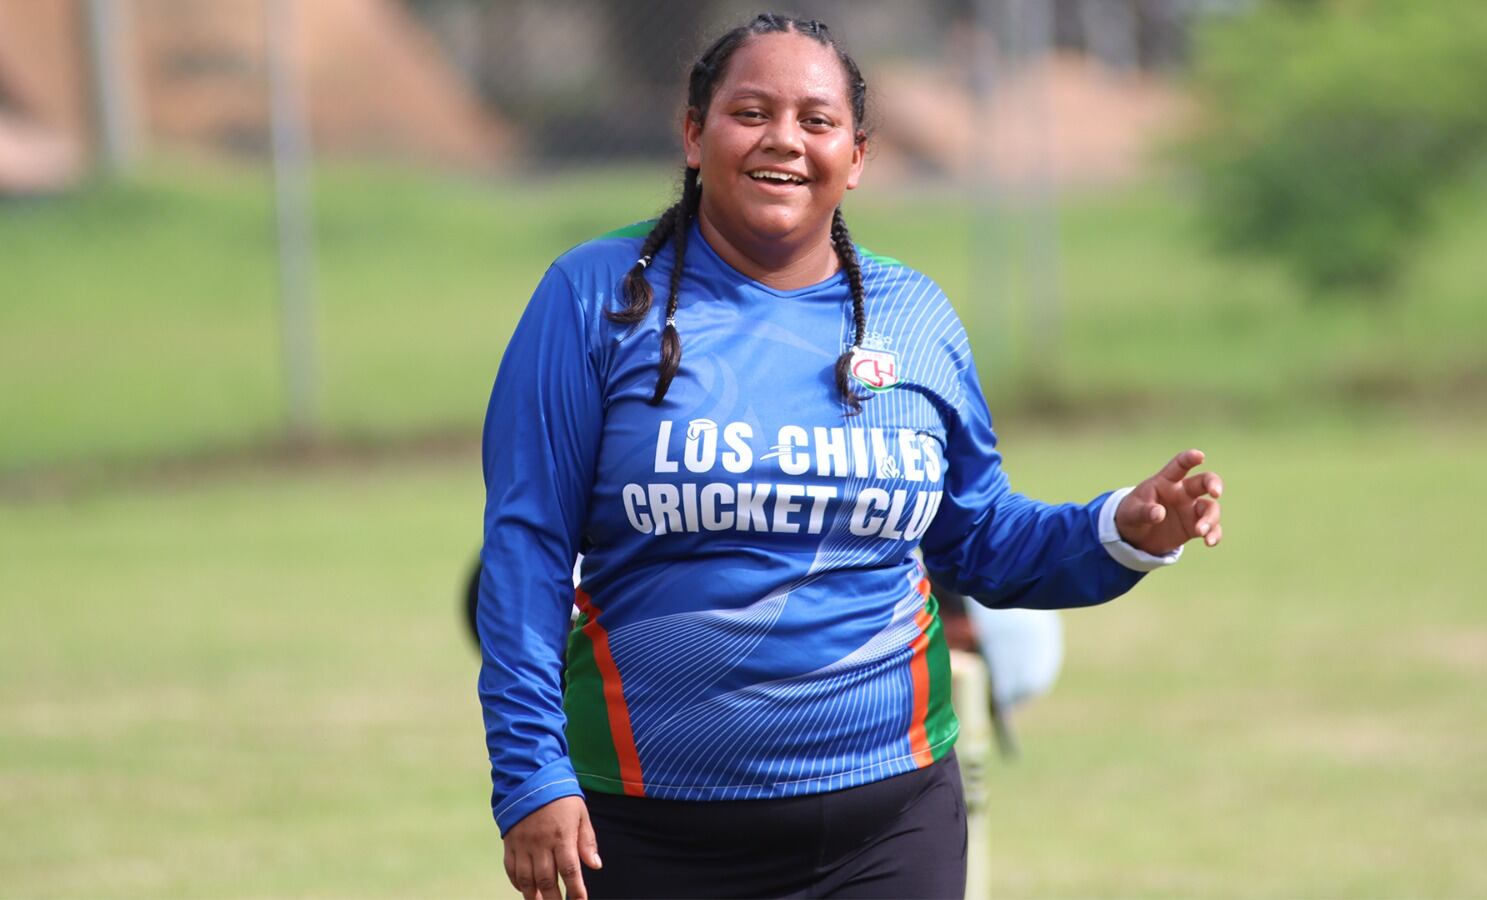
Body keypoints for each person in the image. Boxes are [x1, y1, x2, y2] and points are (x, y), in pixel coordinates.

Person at [477, 13, 1224, 900]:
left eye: (817, 120)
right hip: (645, 828)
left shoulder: (915, 316)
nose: (783, 140)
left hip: (890, 825)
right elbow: (526, 552)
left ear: (857, 156)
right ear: (693, 134)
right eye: (750, 113)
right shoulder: (594, 298)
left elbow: (977, 537)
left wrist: (1121, 530)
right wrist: (532, 773)